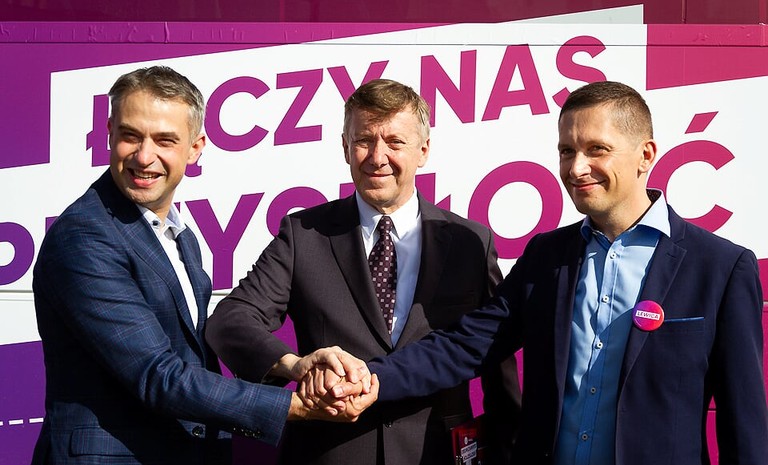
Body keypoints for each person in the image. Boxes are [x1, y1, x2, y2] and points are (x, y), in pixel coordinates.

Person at [325, 80, 768, 464]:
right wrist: (371, 379)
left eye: (597, 150)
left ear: (645, 155)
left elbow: (743, 423)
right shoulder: (546, 257)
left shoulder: (720, 268)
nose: (576, 168)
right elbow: (466, 345)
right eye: (566, 151)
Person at [31, 65, 377, 465]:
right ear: (109, 133)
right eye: (130, 136)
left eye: (165, 140)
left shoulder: (180, 237)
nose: (144, 156)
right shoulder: (84, 237)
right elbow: (158, 375)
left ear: (195, 148)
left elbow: (191, 361)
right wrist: (298, 406)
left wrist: (296, 366)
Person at [205, 78, 521, 465]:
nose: (377, 157)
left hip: (435, 453)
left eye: (395, 142)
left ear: (423, 150)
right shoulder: (304, 234)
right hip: (329, 453)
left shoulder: (471, 242)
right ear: (345, 147)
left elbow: (497, 353)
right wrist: (296, 365)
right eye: (364, 140)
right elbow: (230, 320)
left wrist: (508, 449)